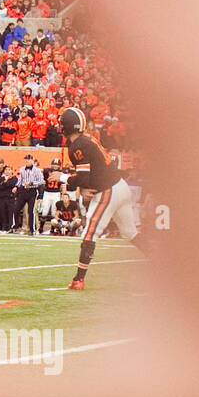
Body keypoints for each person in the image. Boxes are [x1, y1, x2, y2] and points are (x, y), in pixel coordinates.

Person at [61, 107, 152, 290]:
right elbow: (88, 176)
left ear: (66, 127)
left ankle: (79, 279)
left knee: (90, 232)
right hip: (120, 186)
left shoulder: (78, 146)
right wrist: (82, 186)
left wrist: (63, 178)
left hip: (108, 191)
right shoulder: (87, 139)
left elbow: (83, 177)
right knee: (130, 233)